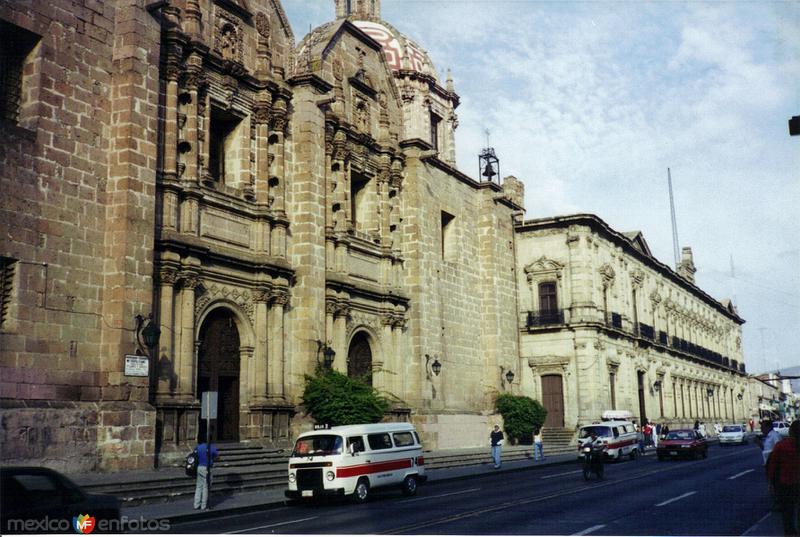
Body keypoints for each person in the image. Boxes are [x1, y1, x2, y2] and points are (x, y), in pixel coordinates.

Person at [766, 420, 800, 536]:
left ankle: (790, 532)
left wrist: (771, 483)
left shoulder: (782, 445)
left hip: (786, 483)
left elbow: (772, 466)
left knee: (787, 511)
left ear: (790, 431)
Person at [194, 439, 219, 510]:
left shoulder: (198, 447)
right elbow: (217, 457)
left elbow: (195, 454)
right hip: (206, 468)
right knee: (206, 486)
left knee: (199, 486)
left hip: (199, 467)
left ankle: (196, 504)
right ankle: (204, 505)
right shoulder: (212, 447)